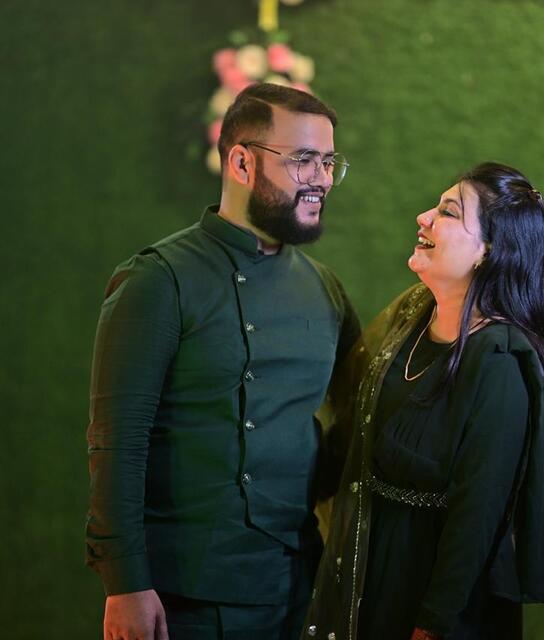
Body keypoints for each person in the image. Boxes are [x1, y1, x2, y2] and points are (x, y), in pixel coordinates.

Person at [85, 83, 360, 640]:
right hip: (183, 597)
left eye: (329, 162)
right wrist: (125, 584)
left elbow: (364, 411)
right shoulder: (159, 279)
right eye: (304, 160)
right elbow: (117, 442)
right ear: (241, 162)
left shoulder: (324, 288)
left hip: (298, 591)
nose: (323, 179)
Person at [302, 163, 544, 640]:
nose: (424, 217)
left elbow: (479, 512)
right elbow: (353, 434)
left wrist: (432, 622)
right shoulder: (411, 317)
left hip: (435, 597)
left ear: (489, 251)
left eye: (448, 212)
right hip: (368, 572)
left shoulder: (500, 361)